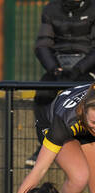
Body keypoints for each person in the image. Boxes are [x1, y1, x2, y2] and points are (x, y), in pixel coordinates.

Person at [25, 0, 95, 168]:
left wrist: (79, 69)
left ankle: (86, 144)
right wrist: (54, 69)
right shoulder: (52, 8)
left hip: (87, 67)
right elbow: (42, 44)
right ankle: (44, 142)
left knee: (86, 93)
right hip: (59, 66)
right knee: (43, 92)